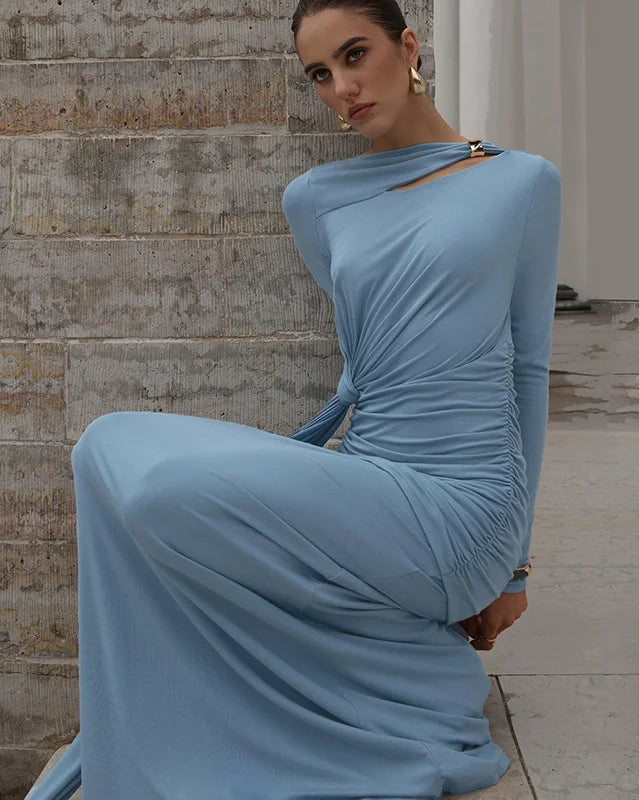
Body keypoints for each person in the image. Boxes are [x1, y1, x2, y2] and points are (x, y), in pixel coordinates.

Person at [24, 1, 561, 798]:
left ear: (407, 47)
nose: (343, 86)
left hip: (465, 504)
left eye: (356, 55)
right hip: (371, 465)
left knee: (165, 487)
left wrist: (513, 568)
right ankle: (162, 726)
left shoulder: (522, 181)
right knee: (104, 444)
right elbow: (369, 347)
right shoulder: (315, 199)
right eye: (321, 73)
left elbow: (529, 369)